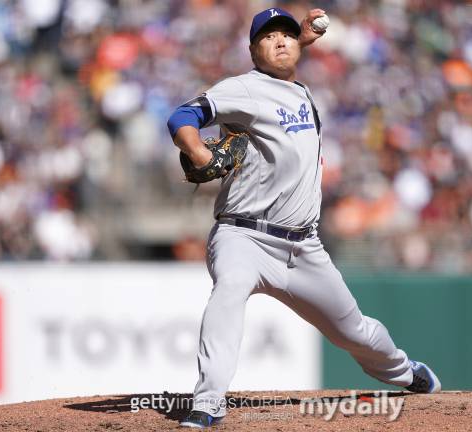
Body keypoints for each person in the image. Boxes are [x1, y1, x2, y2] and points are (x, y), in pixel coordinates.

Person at [167, 7, 441, 428]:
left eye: (286, 34)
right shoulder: (243, 88)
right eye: (268, 36)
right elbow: (182, 116)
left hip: (303, 246)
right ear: (252, 50)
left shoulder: (301, 91)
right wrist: (199, 151)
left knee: (354, 330)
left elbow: (285, 66)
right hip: (244, 236)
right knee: (230, 289)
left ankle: (404, 372)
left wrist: (300, 40)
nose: (279, 40)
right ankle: (207, 402)